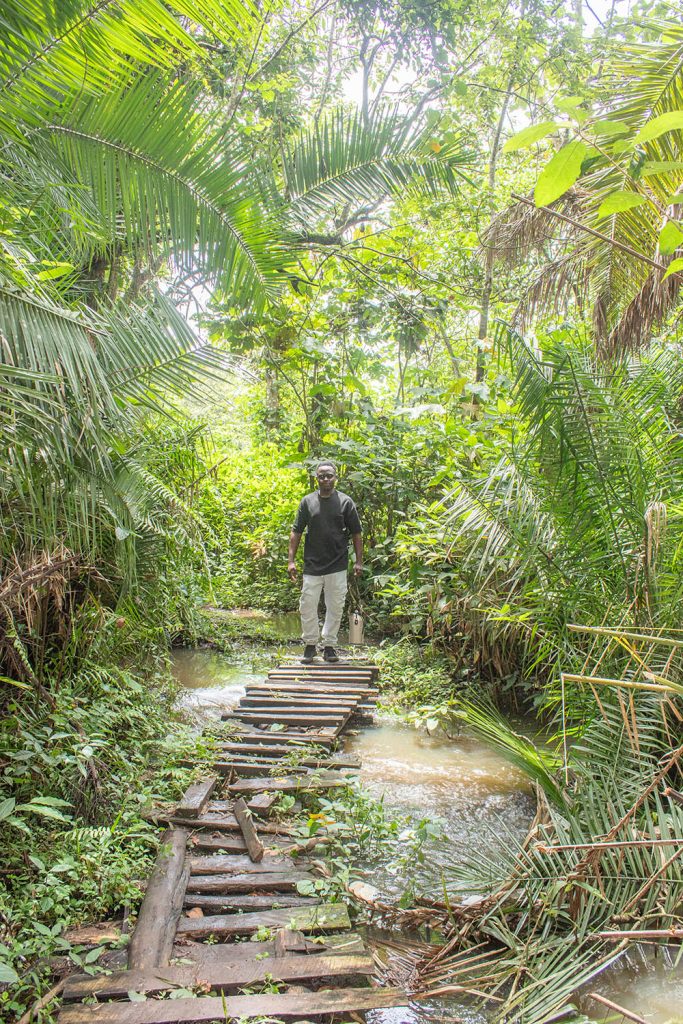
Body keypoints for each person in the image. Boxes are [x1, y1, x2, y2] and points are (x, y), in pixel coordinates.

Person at [288, 461, 363, 663]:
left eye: (329, 475)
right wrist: (291, 561)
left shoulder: (345, 502)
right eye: (321, 476)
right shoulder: (307, 502)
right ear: (317, 478)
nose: (326, 479)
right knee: (307, 605)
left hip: (337, 564)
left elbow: (356, 533)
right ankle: (310, 644)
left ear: (335, 477)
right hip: (312, 565)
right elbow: (296, 531)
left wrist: (358, 561)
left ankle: (329, 645)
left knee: (335, 605)